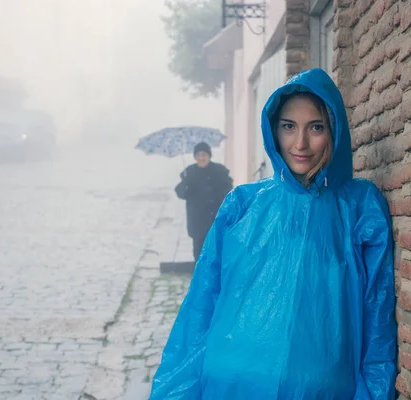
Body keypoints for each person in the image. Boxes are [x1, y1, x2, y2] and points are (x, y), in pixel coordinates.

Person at [149, 68, 397, 399]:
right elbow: (202, 304)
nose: (301, 143)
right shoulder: (242, 204)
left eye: (316, 127)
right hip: (231, 383)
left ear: (335, 130)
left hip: (321, 388)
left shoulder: (359, 207)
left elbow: (377, 311)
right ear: (274, 131)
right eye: (289, 127)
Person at [175, 142, 233, 262]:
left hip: (216, 215)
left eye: (204, 155)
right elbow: (181, 193)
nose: (201, 158)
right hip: (197, 218)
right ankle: (200, 276)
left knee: (217, 248)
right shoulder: (189, 172)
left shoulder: (219, 170)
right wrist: (186, 182)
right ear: (195, 157)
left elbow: (229, 189)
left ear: (209, 155)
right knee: (199, 250)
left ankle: (216, 276)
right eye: (198, 155)